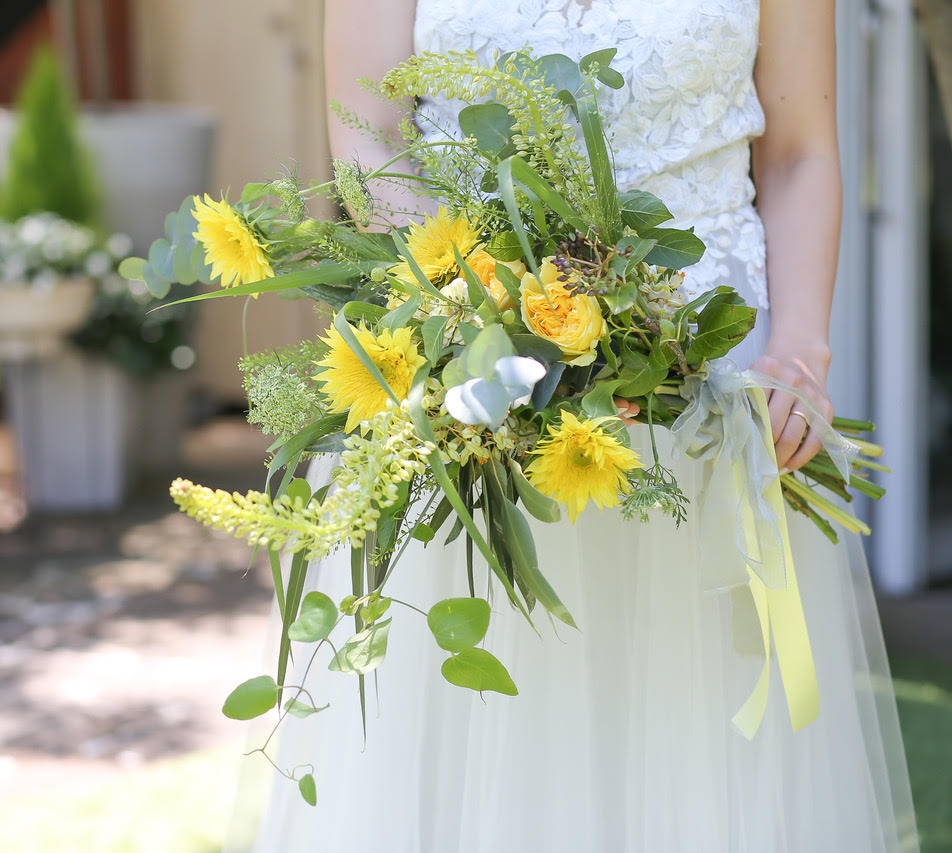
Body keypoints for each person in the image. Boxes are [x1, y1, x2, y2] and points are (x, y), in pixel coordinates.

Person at [235, 1, 920, 850]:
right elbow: (369, 136)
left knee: (698, 729)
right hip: (477, 393)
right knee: (489, 725)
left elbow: (800, 151)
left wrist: (802, 354)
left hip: (707, 396)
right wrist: (481, 310)